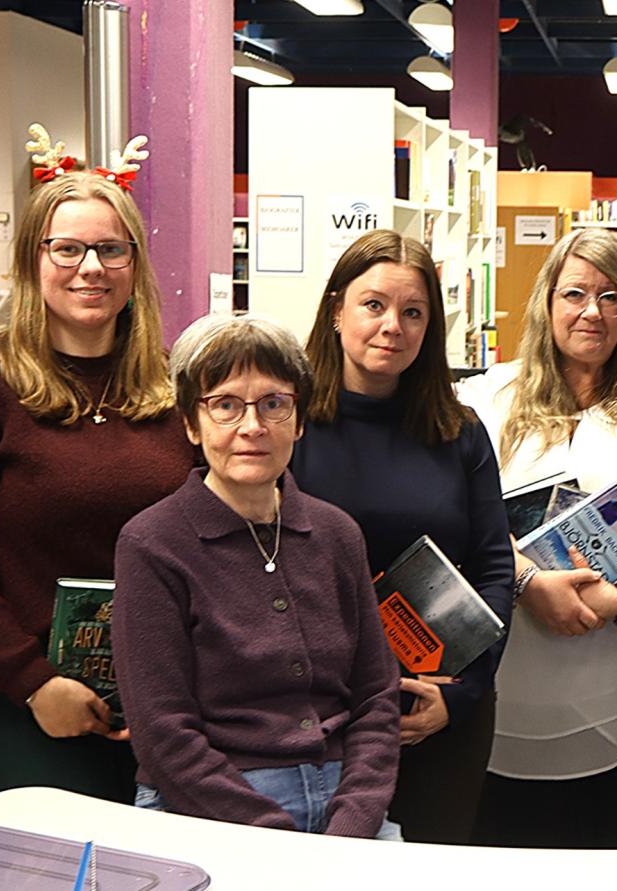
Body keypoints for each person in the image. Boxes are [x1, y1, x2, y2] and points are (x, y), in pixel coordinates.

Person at [0, 165, 195, 801]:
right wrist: (33, 682)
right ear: (32, 261)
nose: (91, 268)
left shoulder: (176, 386)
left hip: (171, 697)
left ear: (134, 264)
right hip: (35, 704)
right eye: (67, 248)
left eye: (111, 249)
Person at [458, 228, 617, 849]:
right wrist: (525, 581)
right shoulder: (490, 398)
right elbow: (460, 509)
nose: (591, 311)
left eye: (611, 297)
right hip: (517, 689)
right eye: (574, 293)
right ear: (547, 302)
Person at [112, 314, 401, 838]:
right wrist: (272, 838)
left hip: (348, 801)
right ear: (191, 424)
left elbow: (376, 695)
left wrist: (354, 822)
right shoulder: (152, 543)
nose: (252, 426)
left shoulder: (337, 533)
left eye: (273, 403)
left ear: (299, 420)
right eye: (225, 405)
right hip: (213, 803)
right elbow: (161, 732)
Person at [287, 229, 514, 845]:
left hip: (436, 707)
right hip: (315, 711)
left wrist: (462, 695)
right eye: (374, 305)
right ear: (336, 310)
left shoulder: (460, 431)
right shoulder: (287, 425)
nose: (393, 326)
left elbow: (494, 569)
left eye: (413, 312)